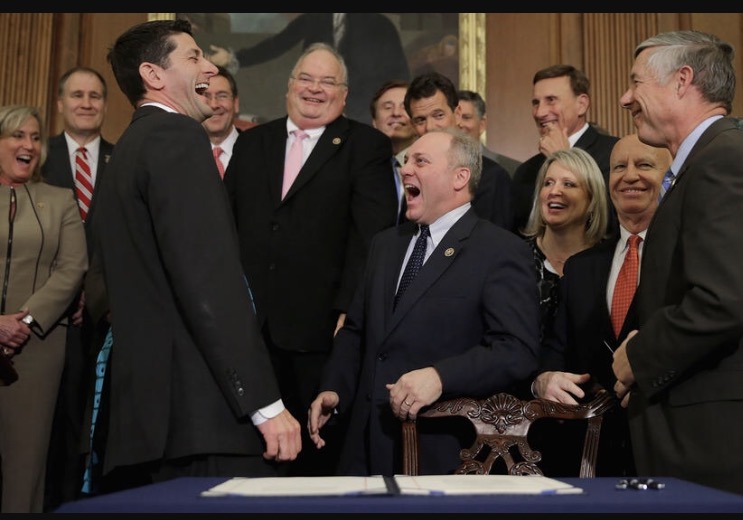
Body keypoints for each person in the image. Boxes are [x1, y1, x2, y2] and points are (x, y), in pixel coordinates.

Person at [91, 18, 301, 494]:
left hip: (152, 420)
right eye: (193, 57)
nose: (210, 65)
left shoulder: (128, 147)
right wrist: (265, 406)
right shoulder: (176, 138)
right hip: (200, 415)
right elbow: (208, 282)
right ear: (153, 75)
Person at [307, 128, 540, 476]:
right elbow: (357, 329)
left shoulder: (501, 251)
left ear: (460, 177)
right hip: (365, 447)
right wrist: (334, 388)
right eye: (405, 161)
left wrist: (440, 377)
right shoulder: (384, 245)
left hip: (443, 452)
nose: (405, 169)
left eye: (421, 161)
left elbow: (516, 351)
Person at [223, 42, 397, 477]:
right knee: (247, 454)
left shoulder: (367, 146)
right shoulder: (251, 143)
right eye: (306, 79)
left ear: (344, 93)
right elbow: (226, 229)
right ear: (289, 87)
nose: (314, 90)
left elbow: (371, 239)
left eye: (327, 82)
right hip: (249, 329)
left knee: (315, 455)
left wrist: (348, 310)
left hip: (321, 332)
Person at [612, 30, 743, 496]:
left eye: (635, 83)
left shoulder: (722, 160)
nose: (626, 98)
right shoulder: (706, 160)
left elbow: (723, 299)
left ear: (682, 80)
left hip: (711, 442)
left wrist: (638, 357)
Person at [532, 134, 672, 477]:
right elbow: (554, 347)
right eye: (618, 167)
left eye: (644, 165)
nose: (629, 176)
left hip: (665, 448)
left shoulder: (684, 257)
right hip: (585, 456)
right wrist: (543, 378)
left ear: (671, 178)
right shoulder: (581, 267)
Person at [0, 104, 88, 513]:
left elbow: (73, 267)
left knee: (26, 469)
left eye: (36, 138)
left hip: (36, 347)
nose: (29, 145)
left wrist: (27, 319)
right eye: (18, 136)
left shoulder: (59, 200)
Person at [41, 65, 115, 512]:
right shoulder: (36, 154)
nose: (86, 103)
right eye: (77, 95)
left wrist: (100, 296)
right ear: (61, 104)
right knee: (49, 424)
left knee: (93, 420)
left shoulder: (124, 156)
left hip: (105, 317)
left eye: (95, 96)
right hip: (46, 315)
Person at [207, 13, 410, 123]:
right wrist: (235, 58)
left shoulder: (379, 24)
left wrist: (396, 108)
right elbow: (277, 44)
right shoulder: (315, 17)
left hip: (362, 113)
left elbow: (399, 74)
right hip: (319, 109)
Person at [511, 65, 619, 236]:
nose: (540, 112)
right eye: (536, 103)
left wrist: (562, 160)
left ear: (581, 105)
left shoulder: (614, 154)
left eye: (551, 100)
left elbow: (611, 221)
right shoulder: (525, 171)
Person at [404, 72, 514, 231]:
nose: (430, 127)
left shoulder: (491, 177)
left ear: (457, 115)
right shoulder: (411, 176)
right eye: (420, 120)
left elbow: (494, 246)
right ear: (413, 126)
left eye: (439, 115)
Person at [370, 79, 418, 224]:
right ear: (374, 121)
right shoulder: (363, 166)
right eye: (387, 107)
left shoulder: (431, 165)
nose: (396, 113)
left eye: (404, 107)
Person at [457, 89, 521, 177]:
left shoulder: (511, 169)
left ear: (482, 124)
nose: (459, 123)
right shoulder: (436, 167)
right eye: (455, 117)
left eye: (466, 117)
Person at [201, 66, 241, 178]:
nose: (214, 105)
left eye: (222, 96)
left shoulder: (259, 152)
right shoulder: (179, 156)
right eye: (206, 96)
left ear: (236, 103)